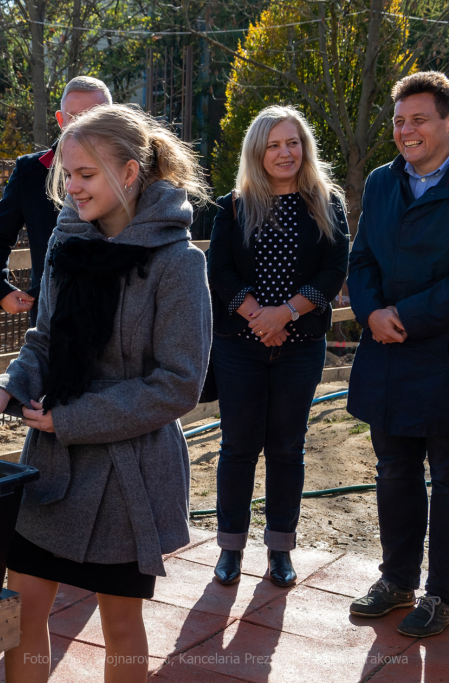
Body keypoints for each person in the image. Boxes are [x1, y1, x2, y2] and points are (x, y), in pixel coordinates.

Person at [0, 103, 211, 683]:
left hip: (129, 473)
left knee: (120, 626)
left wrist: (74, 418)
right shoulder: (66, 244)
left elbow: (179, 385)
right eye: (67, 175)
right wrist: (6, 386)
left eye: (86, 175)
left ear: (129, 173)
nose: (71, 189)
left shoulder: (179, 265)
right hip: (52, 464)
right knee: (23, 610)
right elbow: (45, 341)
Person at [207, 106, 350, 588]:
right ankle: (230, 549)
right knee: (238, 448)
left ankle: (280, 551)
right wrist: (256, 314)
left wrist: (284, 313)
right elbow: (219, 270)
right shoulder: (234, 204)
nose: (285, 152)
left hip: (300, 344)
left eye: (292, 143)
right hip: (239, 347)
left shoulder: (326, 202)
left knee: (287, 449)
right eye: (274, 145)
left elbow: (333, 271)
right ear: (258, 152)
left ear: (304, 148)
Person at [347, 71, 449, 638]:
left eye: (420, 119)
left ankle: (442, 593)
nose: (406, 130)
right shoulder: (386, 182)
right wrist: (370, 312)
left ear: (447, 121)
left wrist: (403, 316)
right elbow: (361, 258)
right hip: (386, 356)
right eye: (399, 120)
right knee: (394, 473)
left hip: (441, 356)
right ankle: (398, 580)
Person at [0, 76, 112, 325]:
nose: (84, 127)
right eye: (75, 118)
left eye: (94, 116)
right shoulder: (32, 172)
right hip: (50, 320)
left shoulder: (129, 172)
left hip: (118, 315)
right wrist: (0, 290)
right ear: (61, 121)